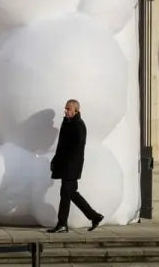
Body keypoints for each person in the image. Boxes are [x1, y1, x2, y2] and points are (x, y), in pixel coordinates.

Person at [46, 98, 103, 233]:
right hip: (65, 166)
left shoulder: (78, 125)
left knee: (66, 193)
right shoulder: (66, 123)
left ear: (76, 110)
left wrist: (67, 164)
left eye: (69, 109)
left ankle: (63, 224)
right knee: (70, 194)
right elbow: (61, 147)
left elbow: (77, 149)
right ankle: (94, 216)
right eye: (65, 109)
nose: (66, 111)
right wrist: (55, 160)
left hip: (71, 167)